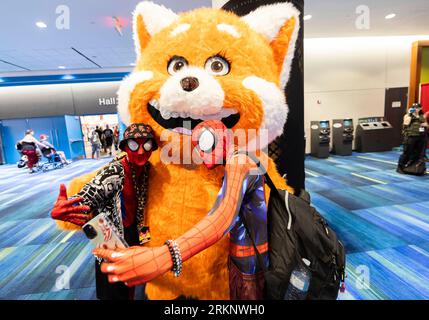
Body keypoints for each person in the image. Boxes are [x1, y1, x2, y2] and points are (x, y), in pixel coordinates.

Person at [94, 120, 269, 299]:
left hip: (251, 263)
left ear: (222, 138)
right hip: (242, 259)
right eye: (197, 147)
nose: (201, 154)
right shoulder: (237, 161)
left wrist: (164, 256)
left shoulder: (239, 162)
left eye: (205, 144)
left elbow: (222, 216)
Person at [51, 123, 157, 300]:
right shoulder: (114, 171)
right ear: (124, 147)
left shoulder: (145, 169)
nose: (140, 151)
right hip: (109, 238)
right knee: (112, 290)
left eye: (146, 145)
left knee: (129, 282)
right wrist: (64, 208)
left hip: (132, 233)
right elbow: (86, 197)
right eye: (133, 145)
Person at [397, 103, 428, 173]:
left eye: (418, 108)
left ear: (420, 108)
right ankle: (400, 167)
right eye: (414, 107)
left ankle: (414, 168)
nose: (416, 109)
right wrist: (410, 114)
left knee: (418, 153)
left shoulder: (421, 116)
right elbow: (406, 123)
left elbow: (427, 125)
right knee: (407, 152)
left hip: (420, 137)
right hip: (410, 137)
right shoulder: (407, 115)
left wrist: (424, 124)